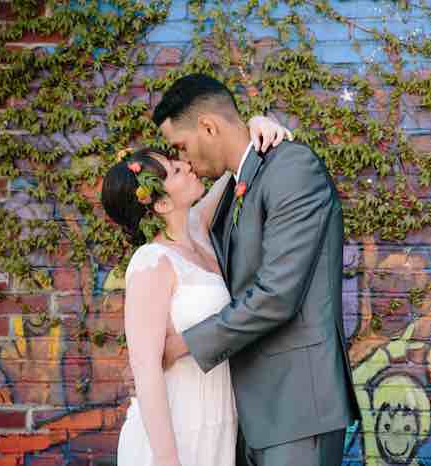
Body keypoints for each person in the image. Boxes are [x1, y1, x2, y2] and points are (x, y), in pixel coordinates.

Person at [153, 73, 360, 466]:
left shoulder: (292, 169)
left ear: (208, 126)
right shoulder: (236, 185)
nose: (182, 160)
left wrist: (183, 344)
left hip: (297, 408)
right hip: (248, 412)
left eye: (180, 146)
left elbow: (277, 295)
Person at [101, 116, 292, 466]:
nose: (187, 166)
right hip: (176, 435)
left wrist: (255, 123)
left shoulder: (198, 230)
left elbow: (234, 165)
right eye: (175, 171)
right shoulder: (151, 263)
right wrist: (167, 460)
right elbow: (145, 372)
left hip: (216, 427)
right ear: (159, 204)